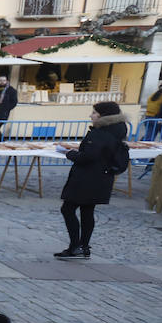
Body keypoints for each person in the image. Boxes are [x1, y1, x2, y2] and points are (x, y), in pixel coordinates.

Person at [55, 101, 129, 259]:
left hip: (87, 178)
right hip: (101, 178)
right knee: (87, 211)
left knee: (68, 209)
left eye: (94, 112)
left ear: (103, 116)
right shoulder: (117, 130)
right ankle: (83, 246)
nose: (91, 115)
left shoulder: (100, 133)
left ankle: (76, 246)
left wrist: (69, 154)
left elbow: (88, 157)